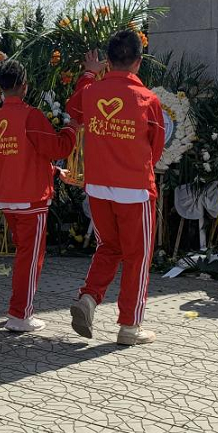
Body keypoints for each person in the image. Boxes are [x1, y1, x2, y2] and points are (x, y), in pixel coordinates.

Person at [65, 30, 165, 345]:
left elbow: (73, 111)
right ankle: (129, 327)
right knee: (137, 256)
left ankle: (89, 297)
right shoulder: (148, 99)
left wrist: (89, 74)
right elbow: (156, 148)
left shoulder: (91, 92)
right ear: (138, 61)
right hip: (134, 189)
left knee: (108, 247)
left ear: (108, 61)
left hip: (98, 187)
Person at [0, 60, 78, 331]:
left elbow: (17, 159)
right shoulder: (31, 115)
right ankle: (20, 315)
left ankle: (19, 311)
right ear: (24, 86)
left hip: (8, 197)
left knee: (24, 255)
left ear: (2, 87)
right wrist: (71, 128)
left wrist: (53, 171)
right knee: (30, 258)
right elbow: (58, 147)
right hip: (31, 199)